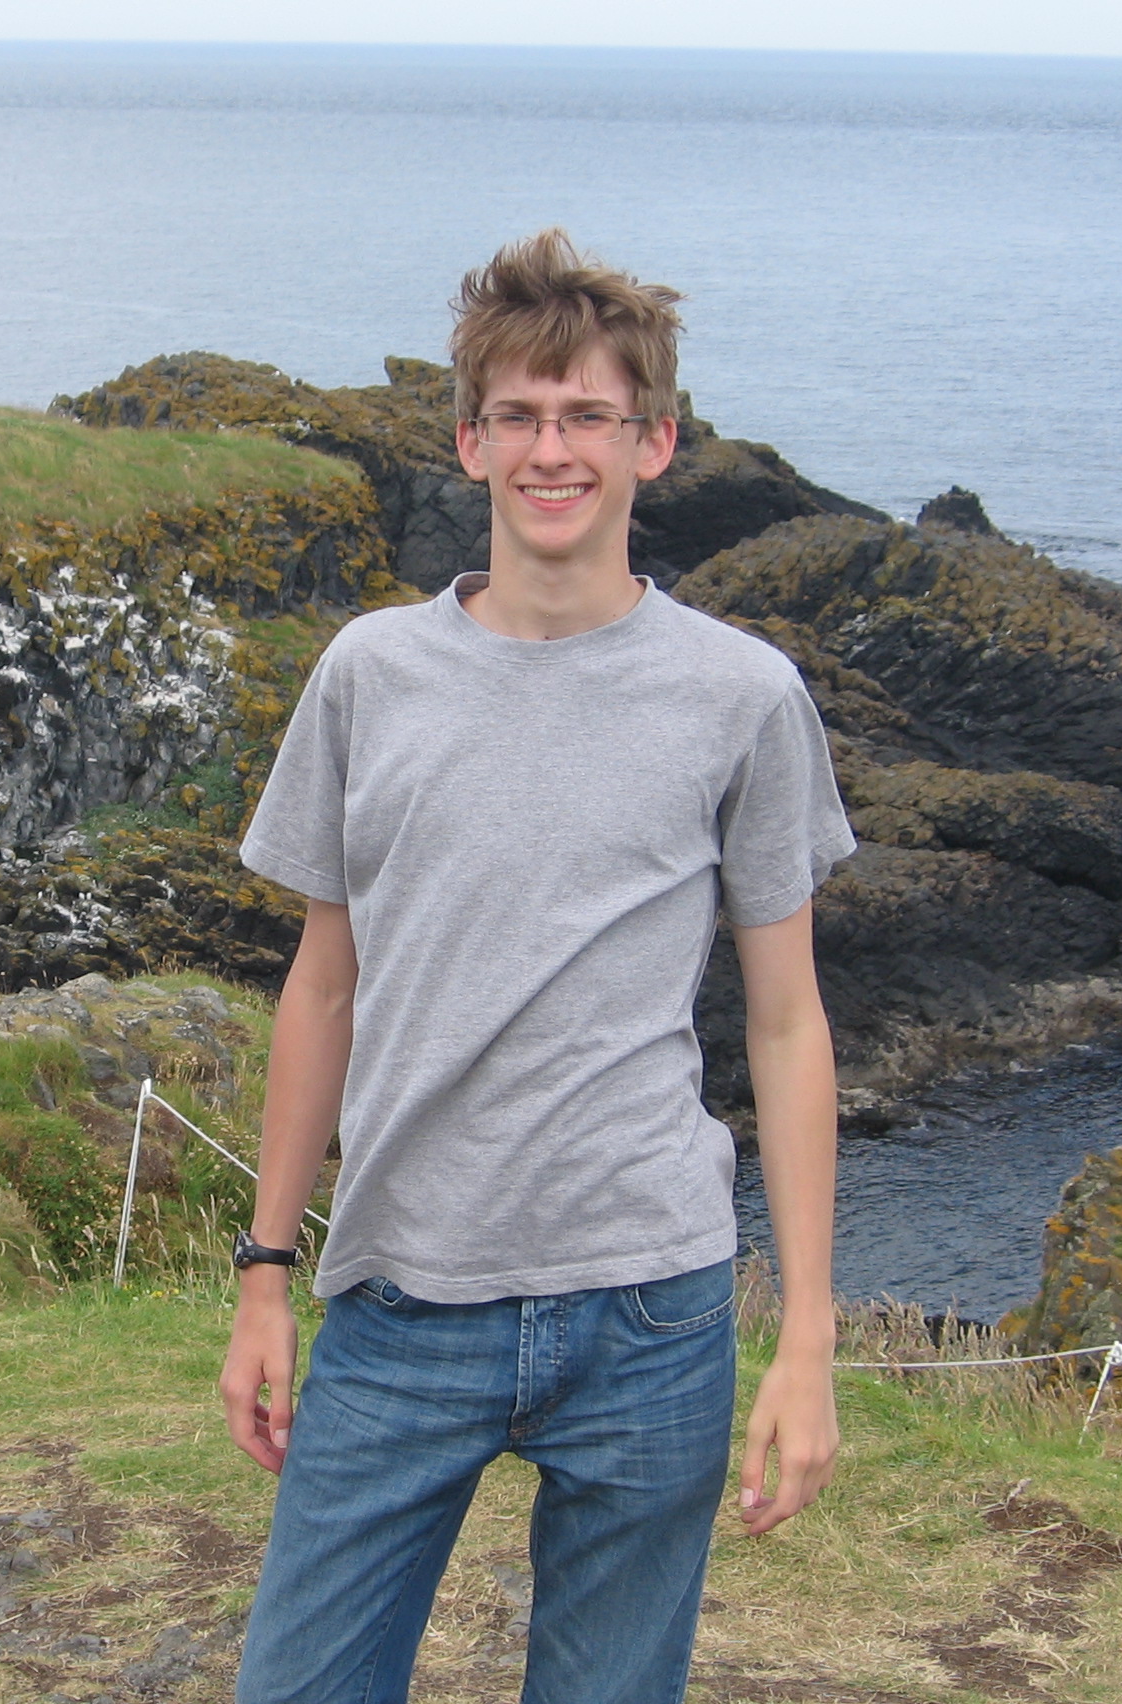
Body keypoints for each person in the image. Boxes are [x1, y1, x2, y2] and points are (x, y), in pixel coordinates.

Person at [220, 228, 855, 1704]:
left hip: (652, 1303)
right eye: (519, 415)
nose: (551, 448)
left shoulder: (746, 698)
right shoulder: (367, 675)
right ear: (469, 439)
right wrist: (265, 1273)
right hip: (399, 1292)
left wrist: (807, 1342)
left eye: (587, 416)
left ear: (656, 442)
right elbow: (324, 983)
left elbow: (787, 1022)